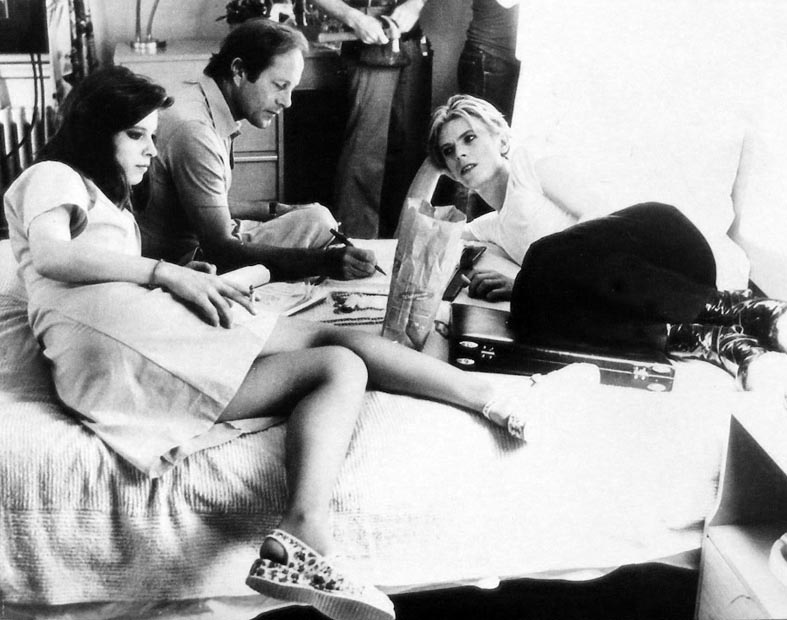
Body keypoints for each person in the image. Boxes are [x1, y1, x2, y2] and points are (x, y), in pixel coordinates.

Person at [3, 67, 592, 620]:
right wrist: (165, 274)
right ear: (94, 131)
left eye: (152, 136)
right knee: (329, 334)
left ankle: (301, 537)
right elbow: (54, 255)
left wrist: (183, 280)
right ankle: (491, 396)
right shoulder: (52, 174)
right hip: (123, 348)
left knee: (337, 364)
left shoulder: (97, 197)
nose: (151, 150)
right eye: (136, 135)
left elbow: (89, 269)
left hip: (126, 356)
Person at [408, 94, 787, 393]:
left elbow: (599, 213)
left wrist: (530, 280)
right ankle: (708, 339)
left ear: (501, 139)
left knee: (540, 265)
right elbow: (414, 230)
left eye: (470, 138)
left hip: (662, 248)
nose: (460, 153)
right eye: (448, 150)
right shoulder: (490, 227)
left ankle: (741, 308)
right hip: (642, 299)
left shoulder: (530, 162)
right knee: (532, 316)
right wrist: (431, 165)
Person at [137, 19, 377, 281]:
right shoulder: (196, 131)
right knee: (320, 226)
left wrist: (275, 209)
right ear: (239, 71)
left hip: (201, 239)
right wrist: (324, 262)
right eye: (279, 85)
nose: (287, 102)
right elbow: (222, 251)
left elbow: (204, 203)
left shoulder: (199, 97)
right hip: (187, 263)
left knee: (318, 218)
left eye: (291, 88)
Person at [308, 0, 432, 239]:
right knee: (366, 153)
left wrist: (415, 4)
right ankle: (356, 245)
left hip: (411, 40)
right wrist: (354, 18)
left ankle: (404, 243)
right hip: (367, 40)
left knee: (411, 154)